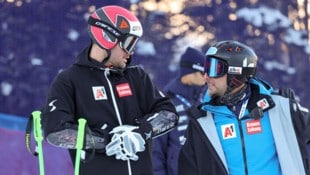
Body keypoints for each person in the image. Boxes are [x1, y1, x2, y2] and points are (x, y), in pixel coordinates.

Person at [41, 5, 178, 175]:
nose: (132, 51)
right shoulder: (70, 80)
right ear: (107, 37)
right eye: (128, 43)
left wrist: (140, 133)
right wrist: (106, 140)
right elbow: (55, 131)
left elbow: (169, 114)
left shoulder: (136, 76)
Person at [178, 40, 310, 175]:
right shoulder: (202, 122)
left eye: (213, 69)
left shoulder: (281, 108)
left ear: (235, 73)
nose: (206, 76)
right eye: (206, 68)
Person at [152, 47, 207, 175]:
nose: (207, 77)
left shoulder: (205, 99)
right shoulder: (165, 103)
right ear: (191, 72)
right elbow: (156, 151)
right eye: (204, 73)